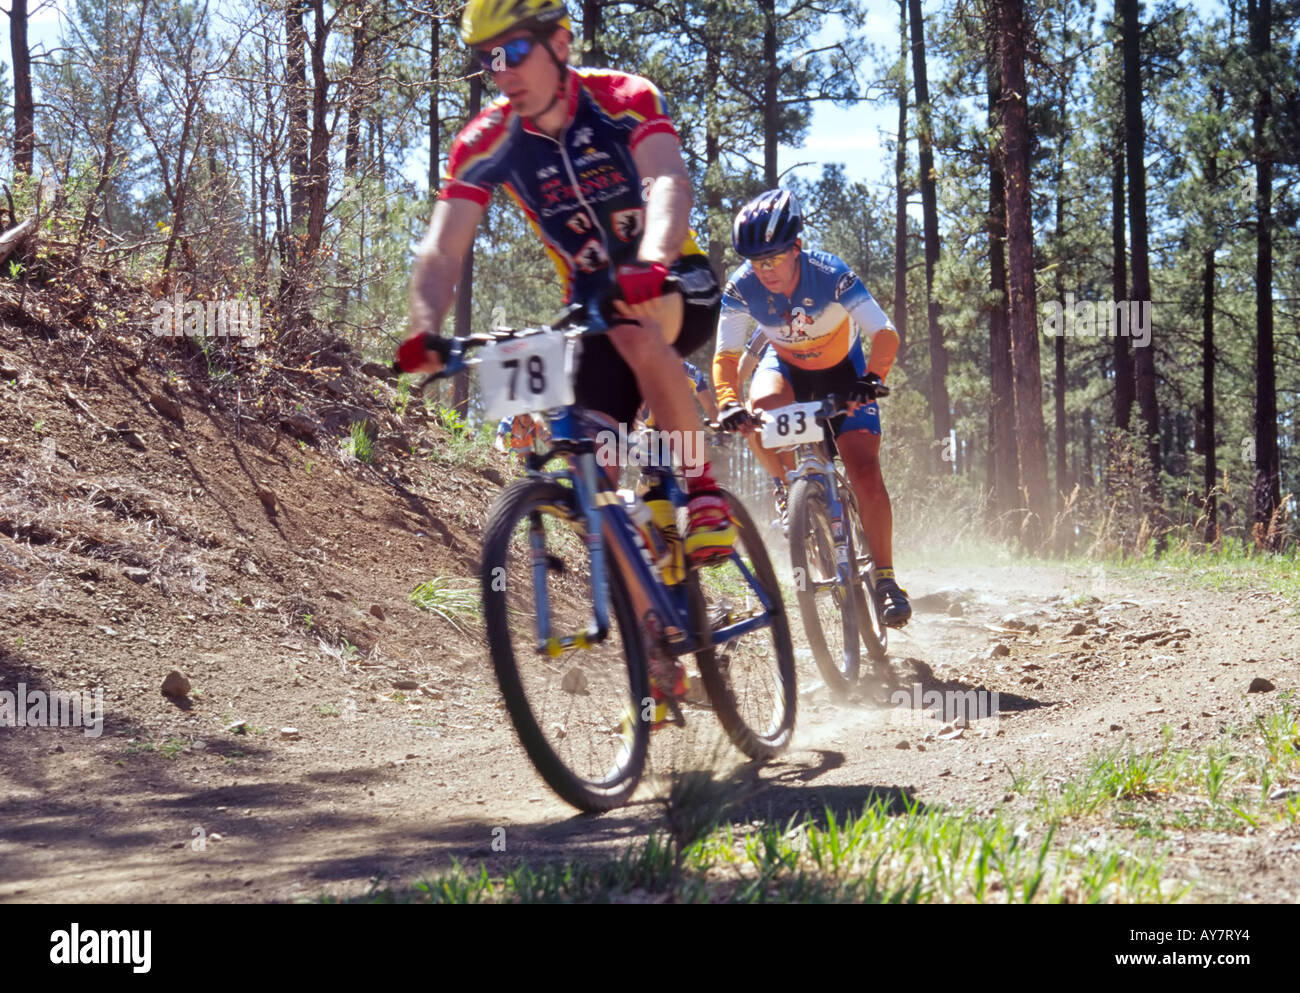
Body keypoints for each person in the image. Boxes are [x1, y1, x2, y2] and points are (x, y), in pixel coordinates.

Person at [393, 0, 730, 717]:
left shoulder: (621, 98)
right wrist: (426, 329)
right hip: (591, 309)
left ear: (559, 42)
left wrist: (652, 258)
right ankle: (655, 626)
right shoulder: (489, 139)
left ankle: (700, 491)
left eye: (513, 53)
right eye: (487, 61)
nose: (500, 73)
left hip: (675, 280)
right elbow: (443, 246)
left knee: (638, 328)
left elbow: (668, 179)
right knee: (586, 473)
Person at [711, 189, 912, 626]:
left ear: (796, 247)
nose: (763, 270)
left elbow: (885, 334)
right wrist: (727, 401)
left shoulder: (830, 273)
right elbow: (726, 358)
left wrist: (871, 381)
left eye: (773, 259)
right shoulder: (741, 286)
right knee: (757, 409)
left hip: (844, 371)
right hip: (784, 367)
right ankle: (790, 490)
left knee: (864, 471)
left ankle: (885, 578)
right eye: (755, 261)